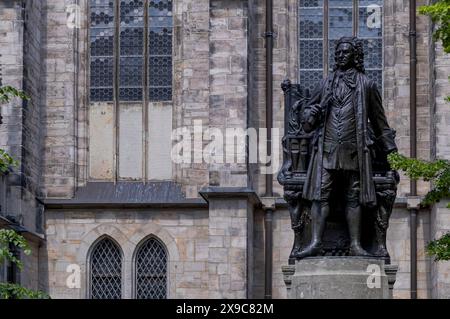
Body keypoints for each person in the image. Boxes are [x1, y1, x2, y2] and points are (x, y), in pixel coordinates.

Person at [297, 37, 397, 258]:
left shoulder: (367, 85)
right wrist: (311, 113)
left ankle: (355, 245)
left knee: (354, 196)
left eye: (345, 52)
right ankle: (315, 242)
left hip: (355, 150)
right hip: (327, 149)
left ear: (355, 56)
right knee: (320, 194)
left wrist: (392, 152)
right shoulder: (325, 84)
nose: (340, 56)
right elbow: (307, 119)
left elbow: (380, 122)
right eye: (338, 52)